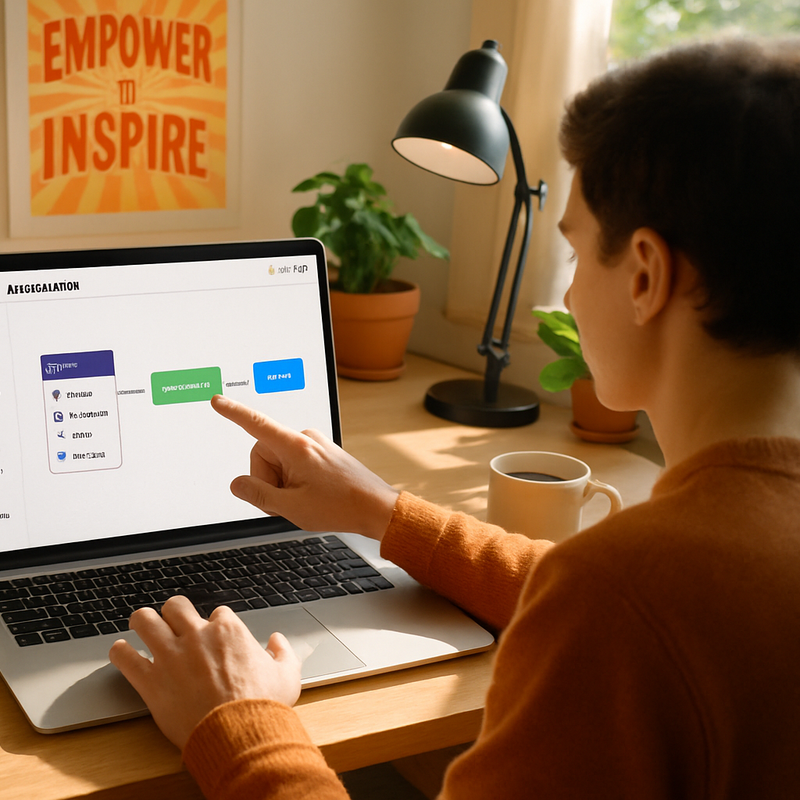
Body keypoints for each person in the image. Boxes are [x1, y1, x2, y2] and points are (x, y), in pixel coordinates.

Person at [108, 36, 800, 799]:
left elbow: (620, 605)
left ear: (645, 273)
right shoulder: (685, 575)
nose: (568, 297)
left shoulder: (623, 598)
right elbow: (625, 600)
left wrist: (236, 723)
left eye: (573, 256)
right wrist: (387, 513)